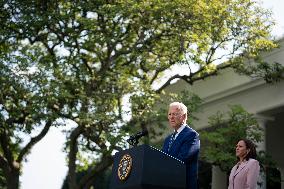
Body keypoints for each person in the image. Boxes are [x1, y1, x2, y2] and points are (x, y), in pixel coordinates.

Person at [162, 102, 200, 189]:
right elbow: (162, 159)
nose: (171, 117)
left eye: (175, 114)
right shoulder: (167, 139)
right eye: (169, 114)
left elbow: (181, 159)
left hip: (184, 184)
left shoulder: (192, 135)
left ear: (184, 116)